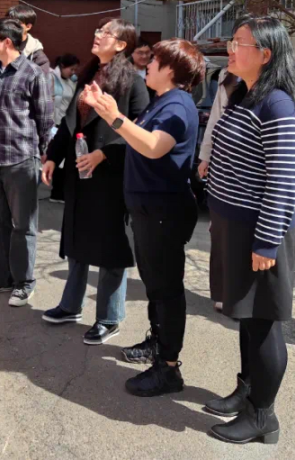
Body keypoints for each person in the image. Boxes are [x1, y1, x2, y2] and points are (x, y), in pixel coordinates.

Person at [202, 16, 295, 445]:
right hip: (233, 225)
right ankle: (247, 392)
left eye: (239, 43)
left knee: (263, 322)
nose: (230, 49)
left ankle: (263, 415)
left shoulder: (279, 106)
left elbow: (283, 182)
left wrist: (265, 241)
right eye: (232, 41)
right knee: (246, 317)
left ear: (265, 54)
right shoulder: (244, 95)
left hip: (259, 232)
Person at [82, 38, 204, 397]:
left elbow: (153, 146)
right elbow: (139, 138)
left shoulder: (177, 105)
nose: (147, 64)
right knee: (156, 286)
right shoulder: (162, 101)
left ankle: (168, 368)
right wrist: (106, 110)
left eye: (154, 60)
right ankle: (158, 345)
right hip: (149, 209)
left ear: (171, 69)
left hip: (163, 211)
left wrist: (113, 116)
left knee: (166, 290)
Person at [41, 20, 149, 344]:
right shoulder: (88, 75)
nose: (97, 35)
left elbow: (140, 130)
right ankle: (70, 305)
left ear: (121, 44)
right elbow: (69, 122)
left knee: (111, 246)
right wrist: (52, 156)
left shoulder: (133, 82)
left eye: (105, 33)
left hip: (111, 177)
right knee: (77, 240)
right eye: (97, 31)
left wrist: (104, 154)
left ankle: (109, 317)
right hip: (79, 169)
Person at [0, 18, 53, 308]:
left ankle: (24, 282)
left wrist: (45, 154)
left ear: (6, 41)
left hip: (21, 159)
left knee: (23, 225)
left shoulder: (33, 73)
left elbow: (45, 119)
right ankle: (2, 276)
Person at [197, 65, 240, 313]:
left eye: (237, 47)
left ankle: (238, 294)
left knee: (239, 232)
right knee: (219, 230)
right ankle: (221, 292)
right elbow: (215, 118)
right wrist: (206, 156)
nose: (231, 51)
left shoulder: (268, 78)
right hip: (222, 163)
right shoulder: (226, 75)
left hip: (245, 167)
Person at [47, 53, 81, 203]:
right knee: (55, 158)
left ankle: (60, 192)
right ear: (62, 66)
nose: (73, 72)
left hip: (67, 122)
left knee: (65, 159)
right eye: (71, 69)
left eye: (75, 70)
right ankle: (56, 192)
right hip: (54, 123)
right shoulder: (51, 78)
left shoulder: (72, 81)